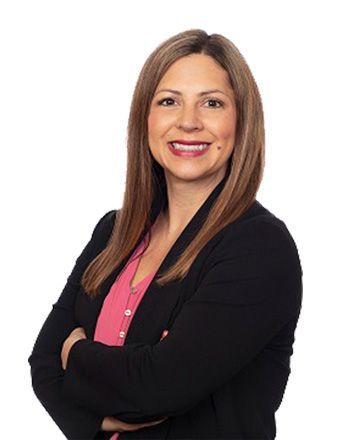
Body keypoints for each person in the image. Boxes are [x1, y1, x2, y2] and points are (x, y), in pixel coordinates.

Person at [28, 28, 303, 440]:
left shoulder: (259, 248)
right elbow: (43, 362)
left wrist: (76, 354)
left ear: (241, 121)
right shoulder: (113, 231)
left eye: (212, 103)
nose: (188, 122)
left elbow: (158, 386)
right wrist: (93, 419)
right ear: (147, 118)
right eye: (169, 101)